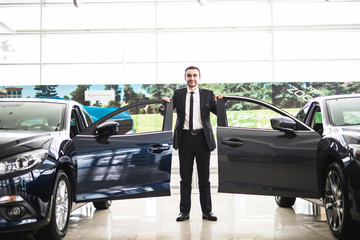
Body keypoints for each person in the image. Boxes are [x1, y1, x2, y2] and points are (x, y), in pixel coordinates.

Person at [161, 66, 224, 222]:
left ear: (199, 77)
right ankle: (184, 212)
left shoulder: (208, 94)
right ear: (185, 78)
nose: (192, 78)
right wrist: (164, 105)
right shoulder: (178, 94)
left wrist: (223, 102)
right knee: (185, 178)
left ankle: (207, 212)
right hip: (185, 140)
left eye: (195, 75)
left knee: (204, 178)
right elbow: (166, 112)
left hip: (203, 139)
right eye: (189, 75)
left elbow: (219, 112)